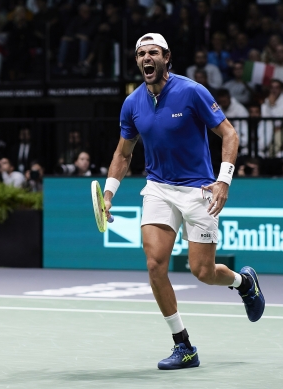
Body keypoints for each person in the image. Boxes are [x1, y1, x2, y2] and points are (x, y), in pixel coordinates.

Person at [104, 33, 264, 371]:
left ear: (166, 57)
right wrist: (108, 193)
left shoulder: (192, 91)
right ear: (137, 61)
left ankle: (243, 282)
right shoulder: (132, 103)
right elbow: (123, 152)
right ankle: (184, 346)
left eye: (153, 53)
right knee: (154, 264)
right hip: (158, 188)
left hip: (199, 189)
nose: (147, 58)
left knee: (202, 272)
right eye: (141, 54)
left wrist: (224, 180)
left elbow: (230, 135)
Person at [258, 79, 283, 156]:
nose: (274, 90)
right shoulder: (265, 103)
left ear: (281, 89)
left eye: (276, 88)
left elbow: (281, 122)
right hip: (266, 131)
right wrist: (270, 104)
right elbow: (264, 119)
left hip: (282, 132)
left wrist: (272, 105)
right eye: (272, 87)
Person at [215, 88, 249, 155]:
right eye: (221, 101)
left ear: (229, 98)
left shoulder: (240, 110)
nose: (223, 103)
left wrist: (229, 127)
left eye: (224, 101)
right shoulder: (218, 109)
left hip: (238, 143)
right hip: (220, 142)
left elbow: (244, 130)